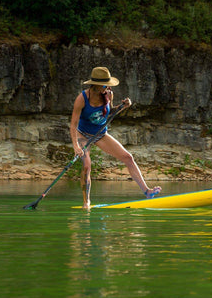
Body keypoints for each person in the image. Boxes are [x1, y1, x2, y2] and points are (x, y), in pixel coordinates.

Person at [69, 66, 162, 209]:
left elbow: (108, 114)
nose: (107, 87)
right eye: (105, 85)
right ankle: (86, 202)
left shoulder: (108, 95)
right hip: (83, 134)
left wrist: (122, 107)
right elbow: (73, 124)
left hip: (100, 134)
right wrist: (76, 145)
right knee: (87, 165)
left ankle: (147, 191)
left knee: (128, 157)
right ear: (96, 85)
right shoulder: (82, 99)